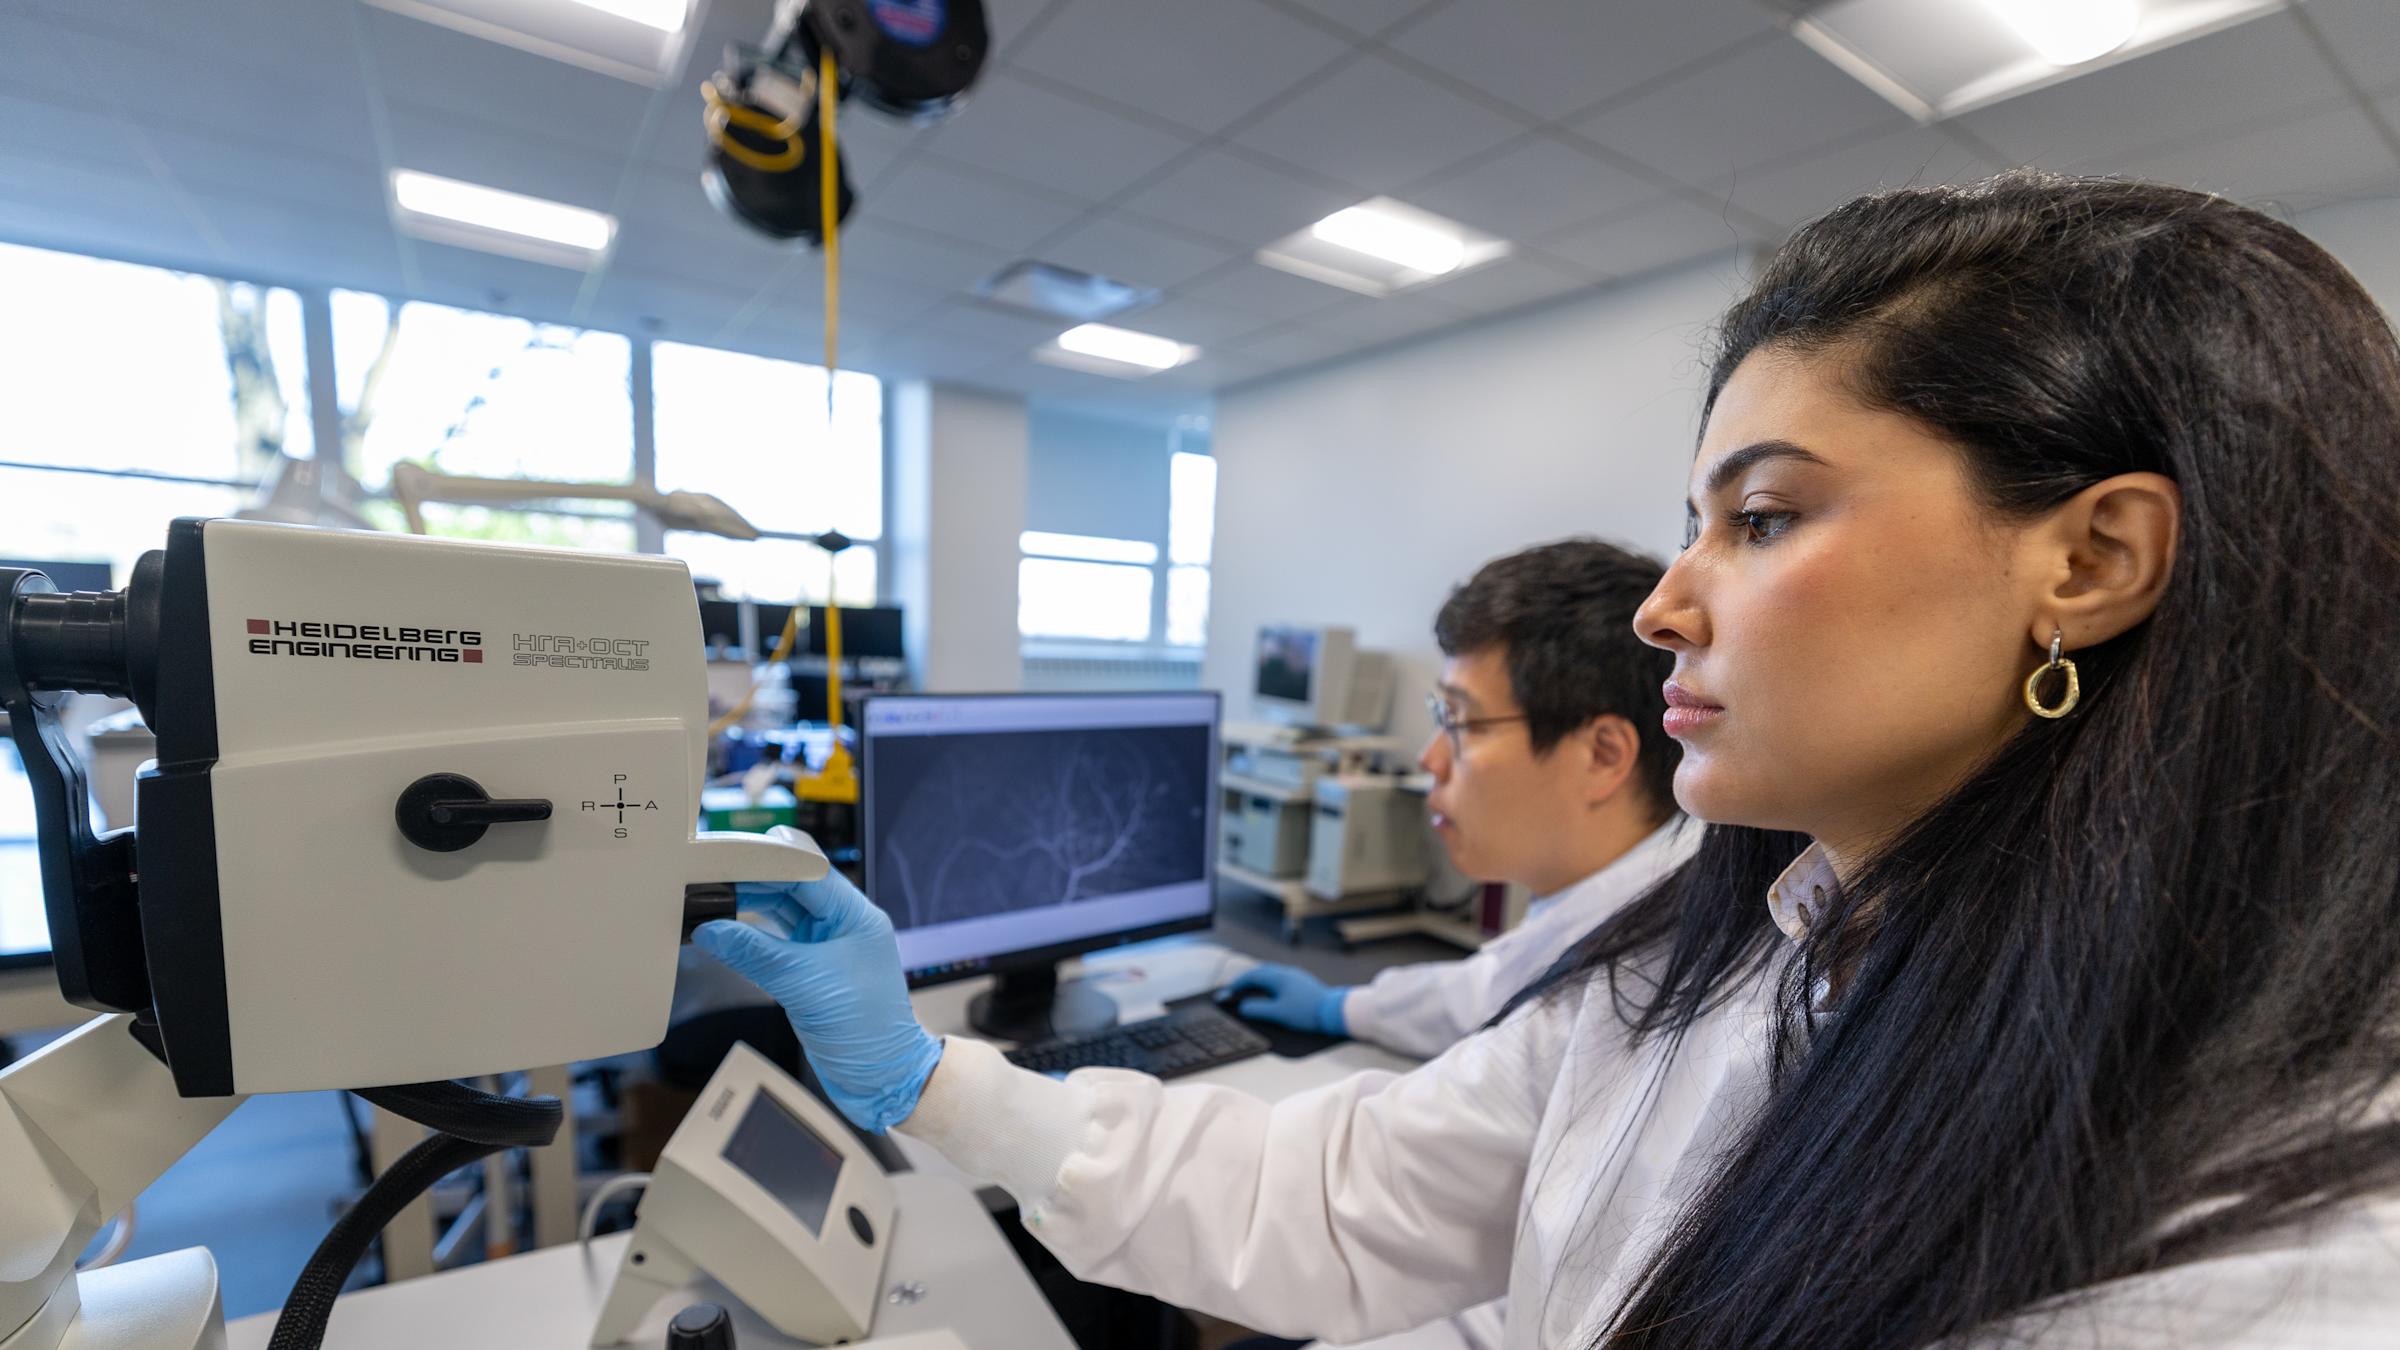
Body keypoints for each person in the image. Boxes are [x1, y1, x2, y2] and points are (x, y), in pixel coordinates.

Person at [697, 173, 2400, 1348]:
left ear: (2090, 560)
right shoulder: (1737, 948)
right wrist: (926, 1080)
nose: (1665, 604)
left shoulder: (2279, 1244)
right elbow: (1359, 1190)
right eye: (1692, 524)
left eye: (1764, 515)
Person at [1219, 538, 1696, 1062]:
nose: (1430, 759)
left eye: (1460, 721)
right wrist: (1340, 1006)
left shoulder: (1614, 997)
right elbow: (1481, 992)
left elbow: (1364, 1133)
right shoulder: (1635, 903)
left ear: (1602, 756)